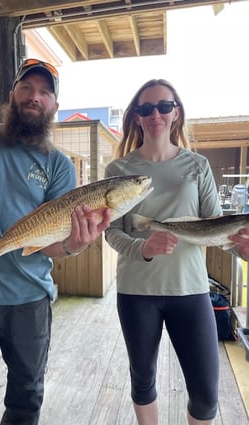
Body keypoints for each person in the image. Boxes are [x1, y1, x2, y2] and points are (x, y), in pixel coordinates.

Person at [0, 58, 111, 425]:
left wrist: (75, 244)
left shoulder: (58, 165)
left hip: (28, 298)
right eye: (27, 88)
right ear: (12, 94)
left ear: (54, 107)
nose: (34, 97)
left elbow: (50, 243)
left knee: (26, 397)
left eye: (45, 92)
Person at [104, 78, 249, 425]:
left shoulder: (197, 166)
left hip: (191, 290)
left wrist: (242, 249)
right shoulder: (118, 171)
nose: (155, 113)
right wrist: (144, 248)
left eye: (164, 106)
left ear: (176, 113)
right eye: (145, 108)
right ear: (136, 117)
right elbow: (111, 232)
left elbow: (215, 228)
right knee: (142, 381)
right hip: (137, 292)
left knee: (205, 395)